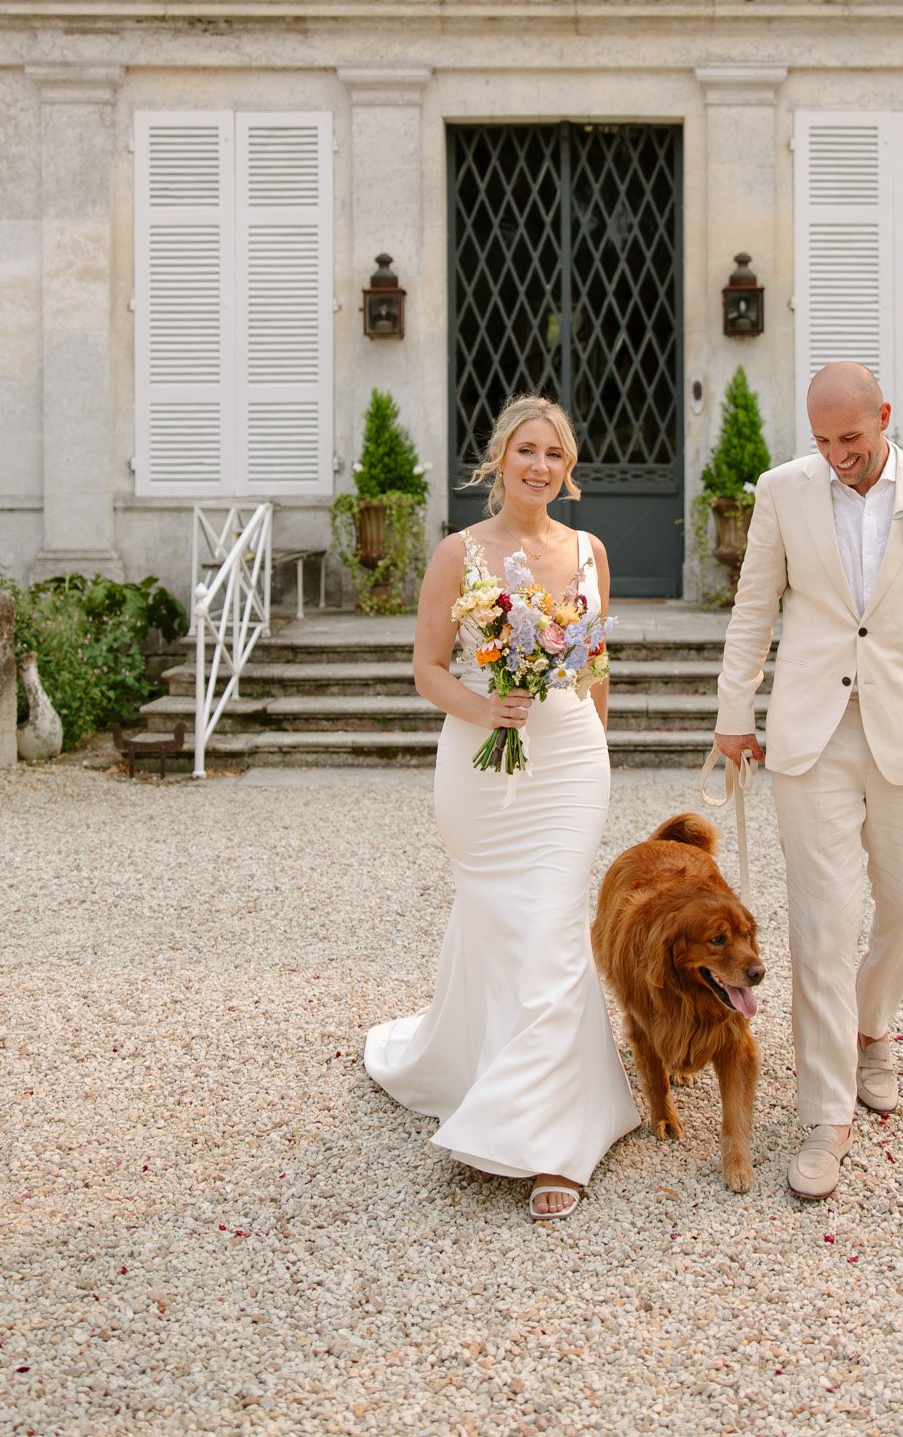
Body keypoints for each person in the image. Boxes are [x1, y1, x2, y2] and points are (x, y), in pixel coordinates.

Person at [714, 361, 903, 1201]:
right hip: (810, 737)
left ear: (883, 417)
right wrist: (734, 712)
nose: (837, 455)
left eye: (851, 437)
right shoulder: (782, 490)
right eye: (821, 440)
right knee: (824, 923)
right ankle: (823, 1116)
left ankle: (871, 1026)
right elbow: (753, 607)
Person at [364, 395, 640, 1220]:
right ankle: (472, 1062)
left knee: (553, 925)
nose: (540, 467)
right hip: (482, 763)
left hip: (568, 767)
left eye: (554, 454)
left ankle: (550, 1140)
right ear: (499, 459)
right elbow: (427, 668)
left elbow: (594, 667)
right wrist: (485, 708)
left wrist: (599, 749)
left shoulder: (588, 552)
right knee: (499, 919)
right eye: (526, 451)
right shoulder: (460, 552)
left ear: (568, 466)